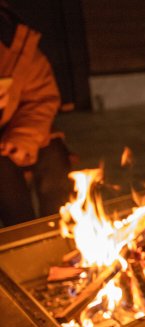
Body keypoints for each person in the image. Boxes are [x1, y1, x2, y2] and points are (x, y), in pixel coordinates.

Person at [0, 2, 71, 227]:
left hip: (16, 130)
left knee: (53, 155)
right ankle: (23, 238)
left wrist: (21, 137)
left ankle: (56, 231)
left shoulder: (16, 49)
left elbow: (41, 99)